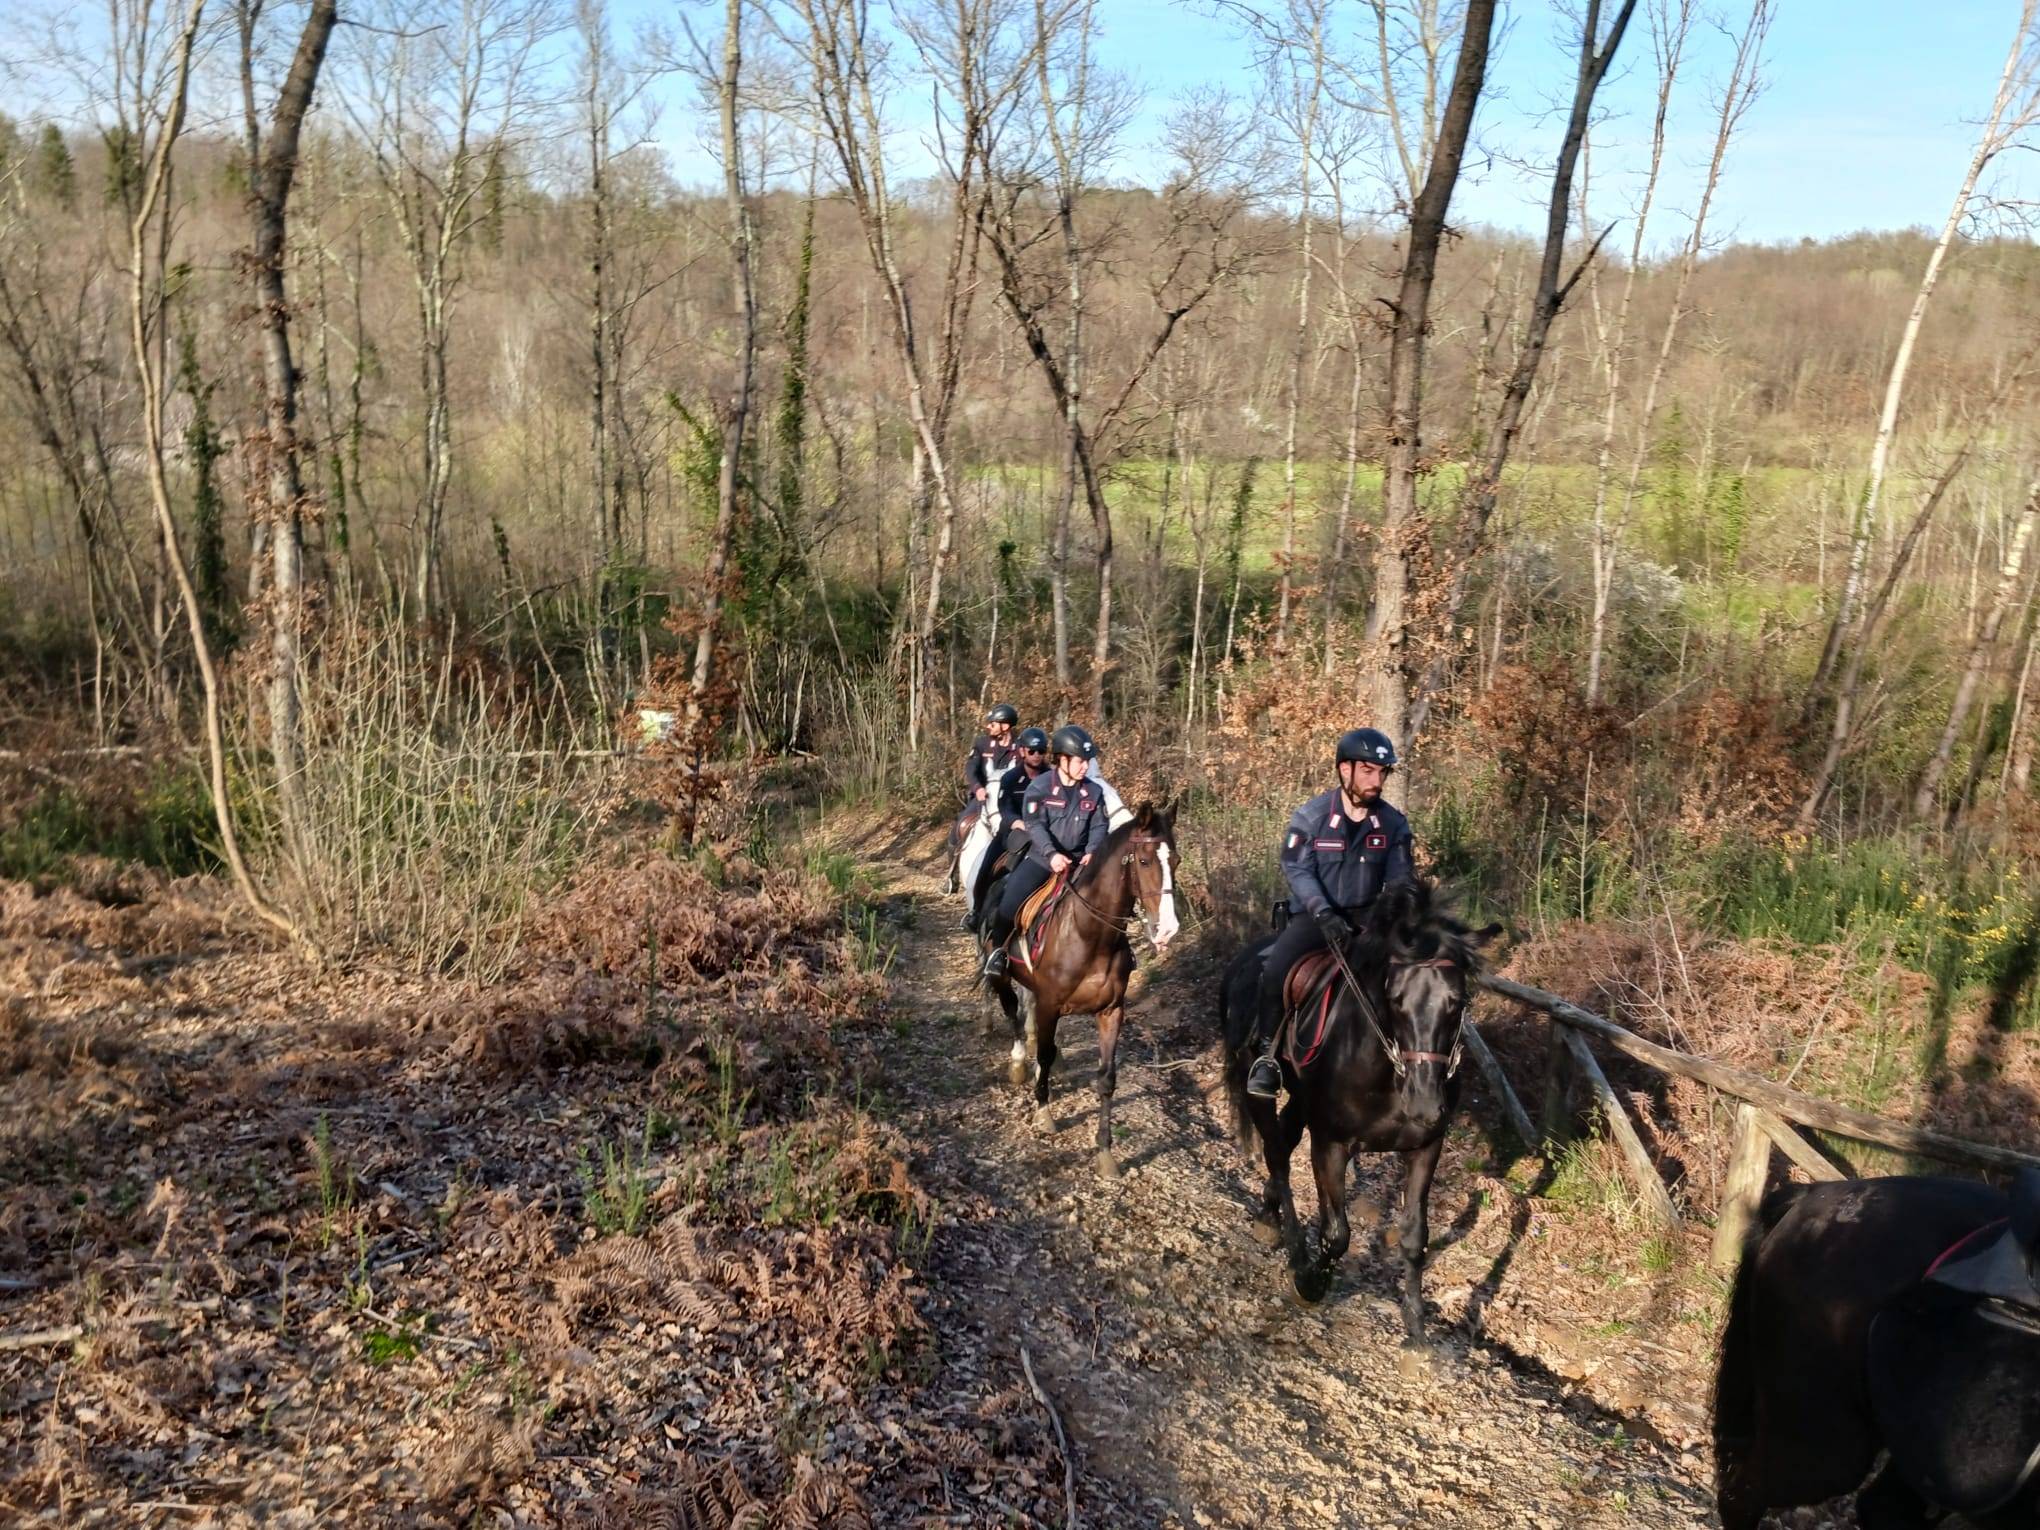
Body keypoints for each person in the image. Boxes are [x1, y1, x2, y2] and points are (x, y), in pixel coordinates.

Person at [1245, 727, 1416, 1099]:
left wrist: (1400, 915)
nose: (1377, 780)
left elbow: (1401, 878)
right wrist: (1323, 912)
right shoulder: (1312, 816)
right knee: (1275, 969)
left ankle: (1418, 1060)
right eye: (1368, 771)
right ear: (1345, 770)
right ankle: (1267, 1057)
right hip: (1315, 916)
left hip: (1369, 919)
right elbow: (1297, 869)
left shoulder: (1393, 823)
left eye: (1382, 772)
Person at [980, 724, 1107, 980]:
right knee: (1009, 902)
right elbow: (1034, 825)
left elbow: (1100, 825)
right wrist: (1051, 854)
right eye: (1081, 762)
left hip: (1081, 862)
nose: (1086, 767)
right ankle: (999, 953)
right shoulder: (1039, 788)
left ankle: (1117, 950)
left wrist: (1093, 851)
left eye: (1088, 762)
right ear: (1063, 759)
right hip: (1042, 860)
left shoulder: (1094, 791)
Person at [965, 726, 1050, 930]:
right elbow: (1005, 808)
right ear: (1022, 751)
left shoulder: (1051, 777)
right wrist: (1017, 822)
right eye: (1032, 751)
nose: (1037, 756)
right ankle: (976, 911)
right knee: (986, 868)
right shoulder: (1010, 778)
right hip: (1012, 833)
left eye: (1041, 751)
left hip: (1043, 835)